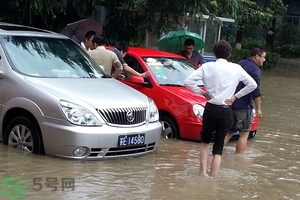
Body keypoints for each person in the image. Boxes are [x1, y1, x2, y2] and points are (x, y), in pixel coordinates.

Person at [184, 40, 257, 177]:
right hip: (226, 110)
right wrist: (236, 96)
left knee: (205, 143)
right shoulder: (236, 68)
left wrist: (203, 93)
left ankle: (202, 173)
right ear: (229, 54)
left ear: (215, 54)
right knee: (218, 148)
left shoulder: (207, 67)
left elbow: (188, 82)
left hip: (211, 108)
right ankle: (213, 177)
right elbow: (252, 84)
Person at [224, 47, 266, 154]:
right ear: (257, 56)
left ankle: (215, 151)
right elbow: (255, 91)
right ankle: (239, 159)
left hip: (230, 103)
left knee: (230, 131)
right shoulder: (255, 70)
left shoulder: (239, 64)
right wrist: (259, 109)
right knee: (244, 134)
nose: (264, 60)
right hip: (244, 106)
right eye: (263, 57)